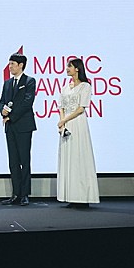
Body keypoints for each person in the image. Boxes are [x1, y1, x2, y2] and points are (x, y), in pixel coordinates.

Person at [56, 58, 100, 208]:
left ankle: (83, 197)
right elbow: (61, 106)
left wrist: (65, 120)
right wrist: (62, 122)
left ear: (77, 69)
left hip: (78, 123)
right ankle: (71, 196)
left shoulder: (85, 86)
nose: (67, 68)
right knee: (68, 159)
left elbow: (81, 108)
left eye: (70, 66)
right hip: (66, 124)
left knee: (79, 158)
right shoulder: (65, 87)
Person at [0, 53, 37, 206]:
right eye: (9, 64)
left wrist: (11, 116)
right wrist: (3, 111)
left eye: (12, 64)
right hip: (10, 127)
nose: (10, 67)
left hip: (24, 126)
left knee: (24, 160)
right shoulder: (8, 83)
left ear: (21, 65)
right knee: (13, 161)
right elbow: (2, 101)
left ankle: (25, 194)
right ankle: (16, 194)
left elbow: (27, 103)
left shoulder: (29, 81)